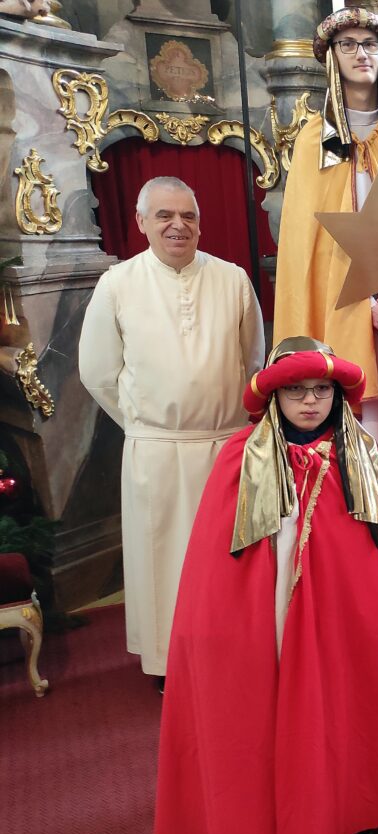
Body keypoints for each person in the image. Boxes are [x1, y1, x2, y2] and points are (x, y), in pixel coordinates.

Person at [155, 338, 378, 834]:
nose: (311, 402)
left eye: (321, 390)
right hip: (264, 612)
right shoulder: (242, 454)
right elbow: (216, 559)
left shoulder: (359, 452)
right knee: (262, 716)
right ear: (274, 397)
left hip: (340, 614)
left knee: (341, 700)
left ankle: (342, 814)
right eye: (296, 391)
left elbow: (377, 548)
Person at [79, 176, 264, 686]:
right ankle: (168, 664)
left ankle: (232, 654)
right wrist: (147, 422)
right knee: (165, 561)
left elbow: (252, 362)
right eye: (164, 215)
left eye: (188, 216)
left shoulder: (234, 279)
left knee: (229, 562)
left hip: (227, 446)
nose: (177, 225)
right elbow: (96, 371)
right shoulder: (117, 284)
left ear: (200, 225)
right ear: (141, 223)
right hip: (157, 451)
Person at [272, 5, 378, 479]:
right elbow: (311, 251)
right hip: (340, 313)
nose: (361, 54)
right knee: (363, 426)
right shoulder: (312, 144)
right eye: (349, 45)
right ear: (332, 57)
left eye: (371, 44)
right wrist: (362, 307)